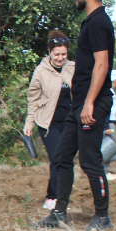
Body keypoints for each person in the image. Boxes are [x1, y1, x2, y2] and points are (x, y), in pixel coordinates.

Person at [37, 0, 116, 231]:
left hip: (91, 103)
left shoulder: (98, 23)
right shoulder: (91, 22)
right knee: (61, 157)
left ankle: (102, 217)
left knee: (90, 160)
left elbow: (102, 65)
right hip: (78, 102)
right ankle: (59, 214)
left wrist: (90, 103)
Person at [24, 30, 75, 209]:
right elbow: (33, 99)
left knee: (66, 160)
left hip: (69, 122)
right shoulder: (41, 71)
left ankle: (62, 198)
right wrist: (29, 123)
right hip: (48, 123)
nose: (60, 58)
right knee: (57, 158)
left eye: (63, 54)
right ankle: (51, 197)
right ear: (49, 52)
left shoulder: (73, 68)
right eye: (56, 54)